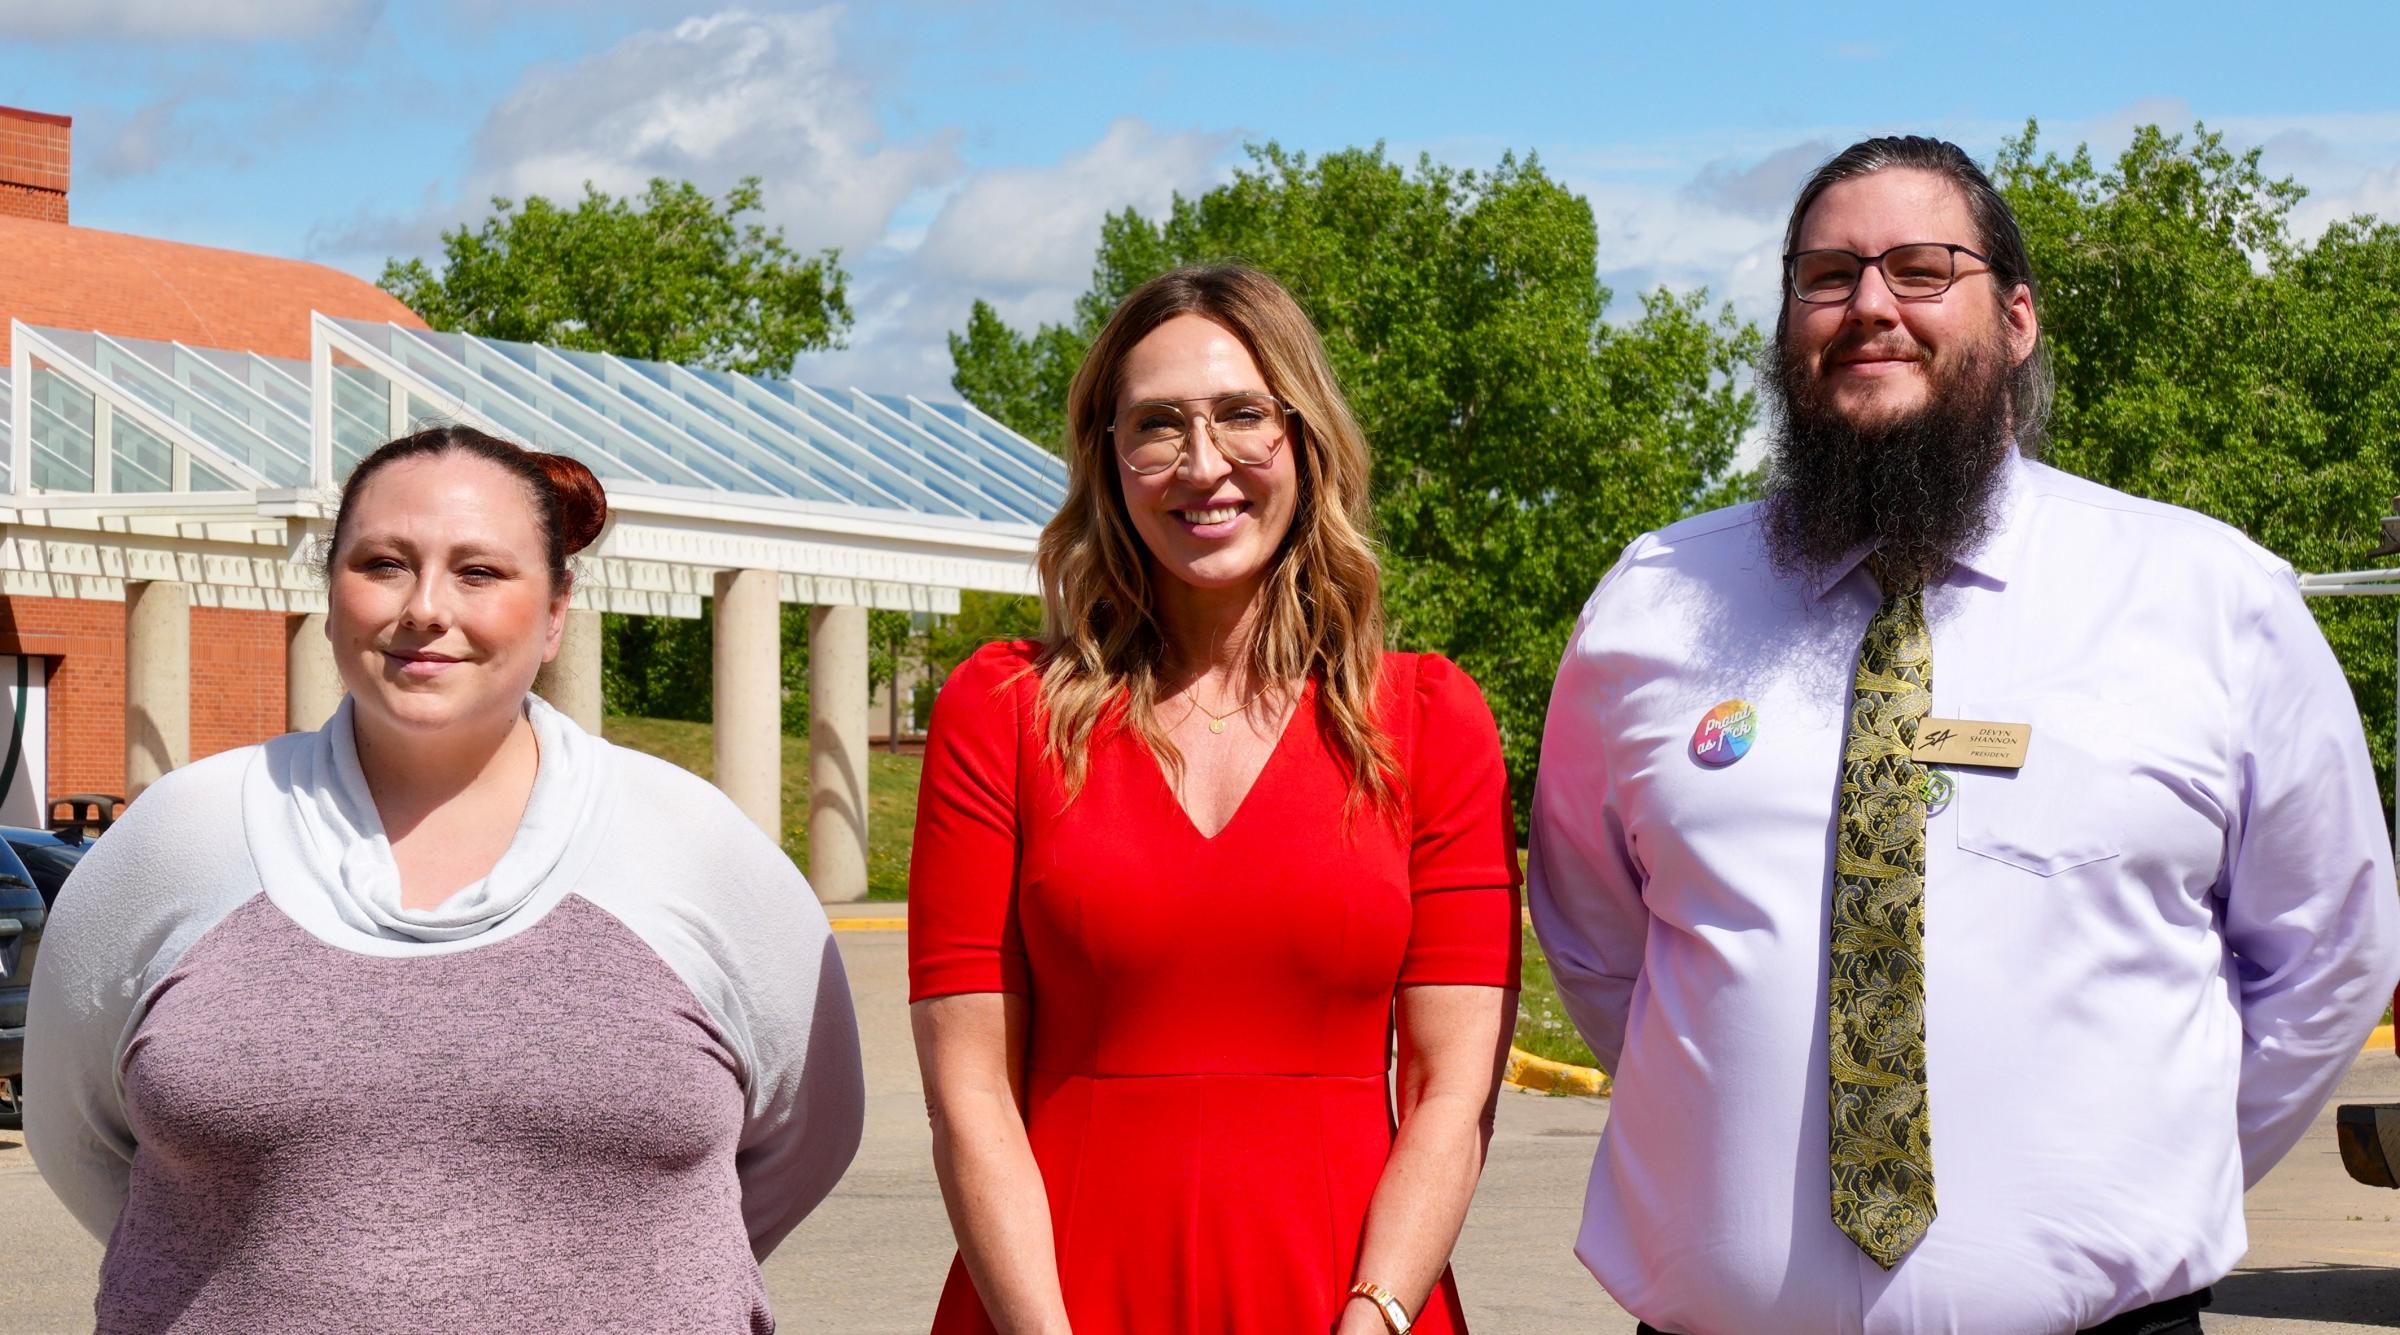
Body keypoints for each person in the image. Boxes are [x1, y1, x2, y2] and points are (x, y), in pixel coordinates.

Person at [1528, 135, 2400, 1335]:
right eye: (1827, 275)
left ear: (2020, 318)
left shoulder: (2210, 597)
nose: (1870, 306)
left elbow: (2329, 954)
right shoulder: (1657, 600)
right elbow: (1597, 939)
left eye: (1922, 268)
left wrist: (2140, 1178)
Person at [26, 426, 864, 1333]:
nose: (425, 606)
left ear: (554, 611)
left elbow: (808, 1134)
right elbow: (76, 1135)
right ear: (331, 588)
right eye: (384, 563)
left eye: (479, 572)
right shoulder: (181, 839)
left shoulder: (692, 844)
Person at [909, 264, 1521, 1335]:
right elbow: (969, 1097)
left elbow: (1450, 1093)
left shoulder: (1429, 718)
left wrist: (1374, 1318)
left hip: (1355, 1300)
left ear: (1307, 435)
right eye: (1157, 426)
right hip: (1048, 1305)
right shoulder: (1001, 711)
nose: (1204, 465)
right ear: (1108, 458)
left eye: (1244, 415)